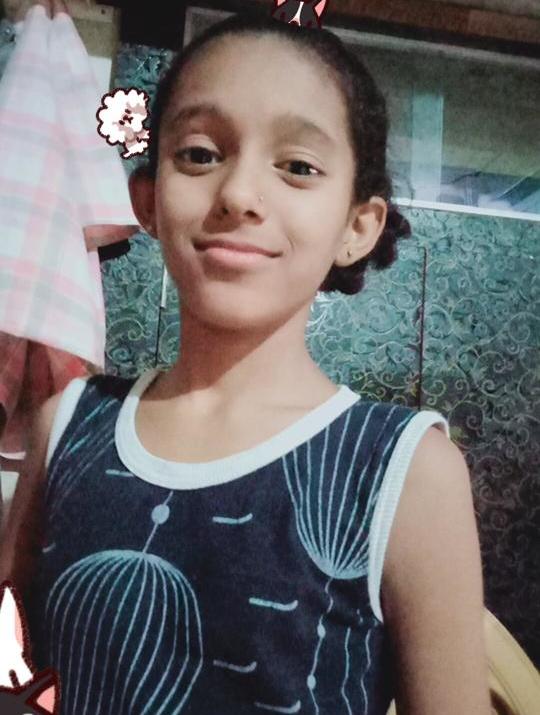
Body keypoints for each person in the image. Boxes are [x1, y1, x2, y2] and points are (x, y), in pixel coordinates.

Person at [0, 9, 491, 715]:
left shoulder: (407, 472)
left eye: (298, 167)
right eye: (201, 154)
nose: (237, 195)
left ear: (358, 225)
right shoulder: (67, 424)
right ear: (147, 200)